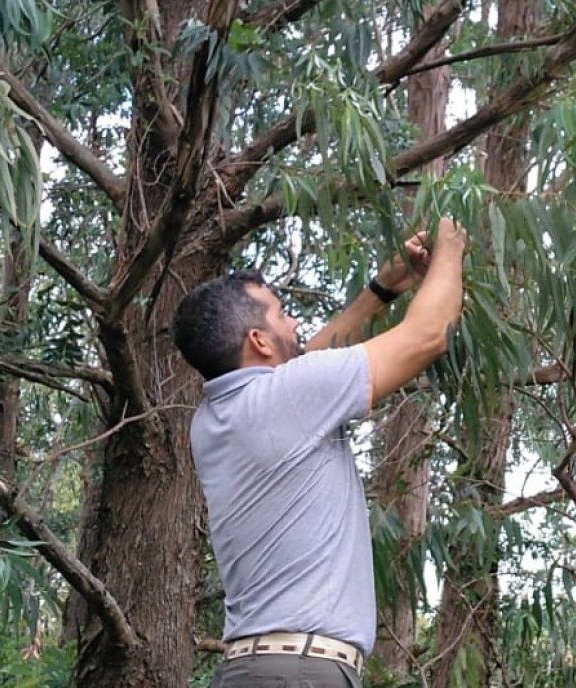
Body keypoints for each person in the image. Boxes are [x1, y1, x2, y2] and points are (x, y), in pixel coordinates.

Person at [172, 218, 468, 688]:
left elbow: (309, 359)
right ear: (259, 341)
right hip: (302, 672)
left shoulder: (217, 418)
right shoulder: (285, 399)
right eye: (281, 313)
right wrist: (450, 248)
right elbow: (427, 335)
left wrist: (381, 288)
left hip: (253, 670)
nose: (293, 323)